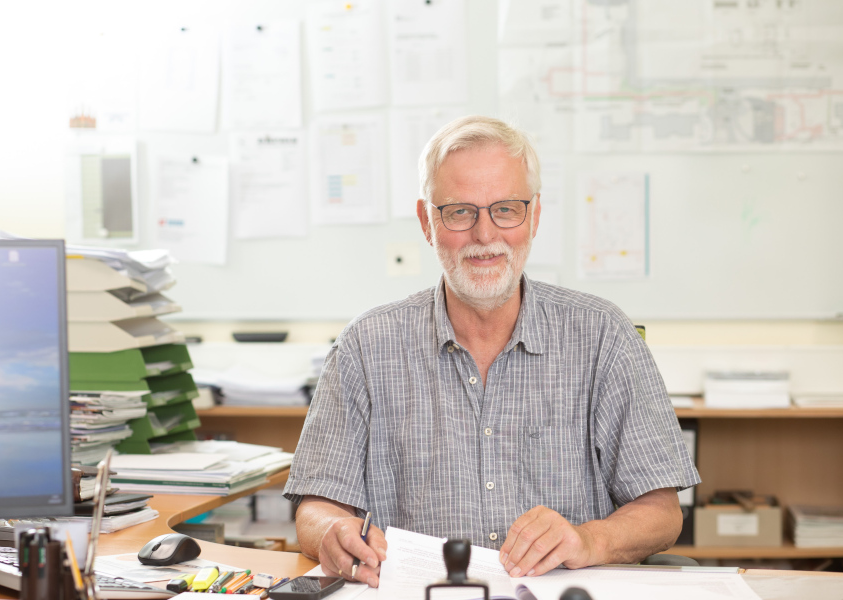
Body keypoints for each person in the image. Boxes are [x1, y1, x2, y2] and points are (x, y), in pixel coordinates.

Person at [283, 115, 699, 588]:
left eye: (506, 209)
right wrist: (334, 532)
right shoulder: (365, 346)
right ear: (427, 222)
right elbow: (316, 506)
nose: (484, 235)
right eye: (460, 212)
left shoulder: (604, 336)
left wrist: (589, 540)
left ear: (534, 216)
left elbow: (662, 512)